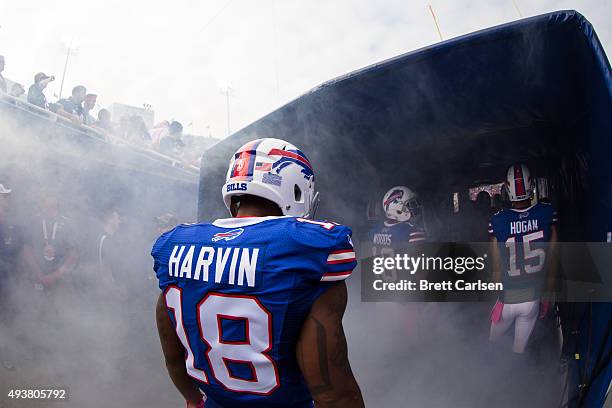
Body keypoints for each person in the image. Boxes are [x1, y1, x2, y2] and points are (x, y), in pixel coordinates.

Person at [153, 138, 364, 408]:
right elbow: (333, 394)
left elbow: (173, 358)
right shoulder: (303, 250)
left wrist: (194, 400)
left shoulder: (175, 246)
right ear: (298, 191)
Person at [488, 164, 558, 354]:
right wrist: (548, 293)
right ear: (531, 185)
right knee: (518, 352)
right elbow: (553, 258)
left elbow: (495, 268)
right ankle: (519, 377)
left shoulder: (498, 221)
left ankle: (492, 380)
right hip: (532, 299)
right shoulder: (546, 213)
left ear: (507, 188)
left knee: (491, 346)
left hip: (508, 298)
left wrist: (497, 296)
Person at [0, 183, 24, 371]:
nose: (6, 200)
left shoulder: (10, 223)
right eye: (4, 196)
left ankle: (5, 356)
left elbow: (16, 251)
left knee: (7, 320)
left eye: (6, 196)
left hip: (7, 282)